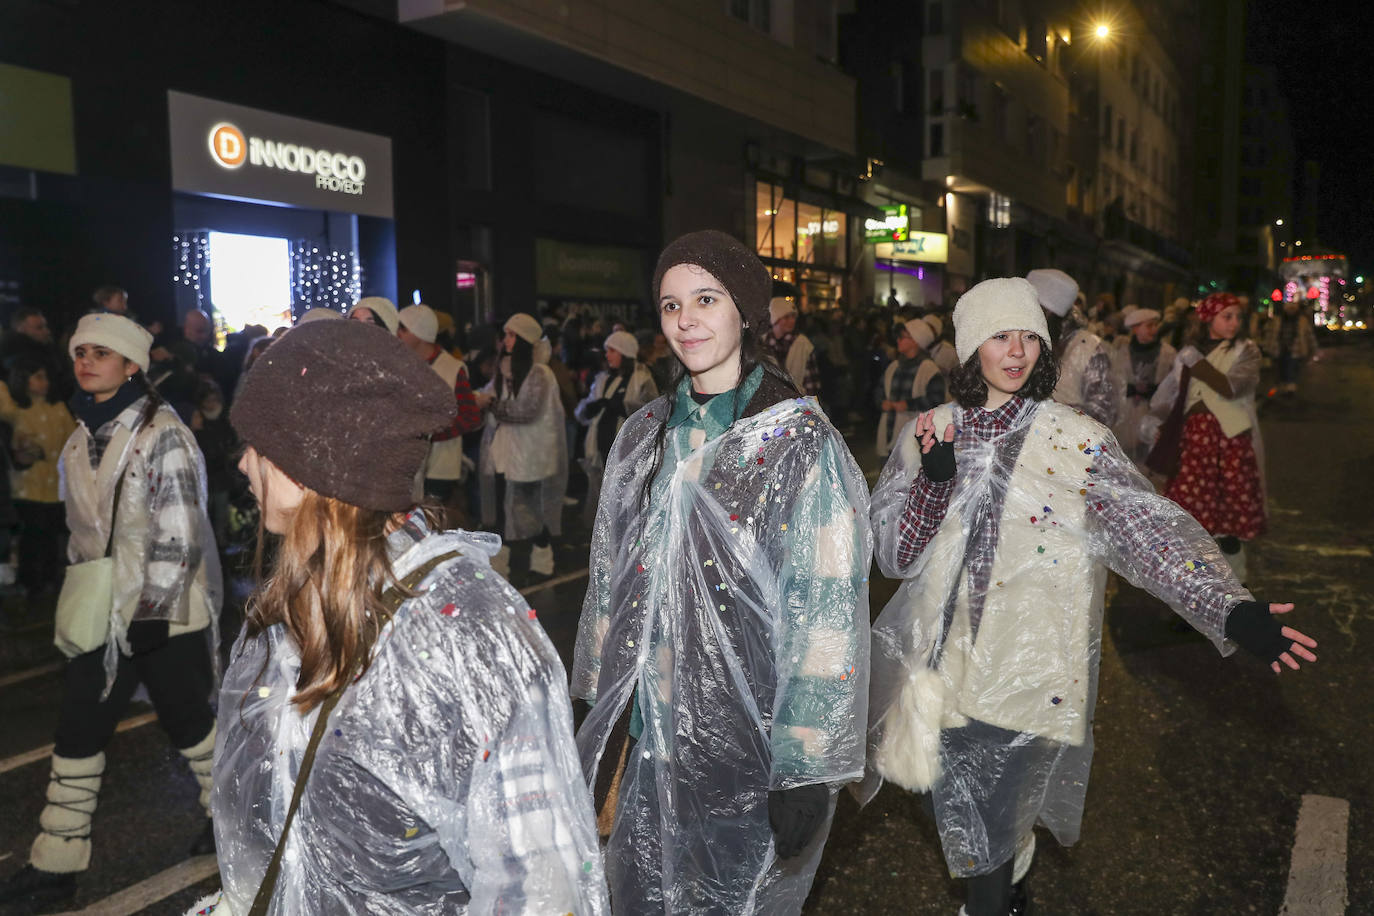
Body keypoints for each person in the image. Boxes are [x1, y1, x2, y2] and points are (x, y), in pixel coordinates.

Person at [860, 278, 1317, 916]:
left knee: (986, 823)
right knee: (965, 805)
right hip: (944, 663)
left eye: (1028, 336)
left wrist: (1229, 609)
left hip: (1031, 663)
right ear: (970, 350)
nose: (1016, 351)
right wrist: (934, 486)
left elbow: (1145, 534)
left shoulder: (1077, 441)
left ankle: (991, 896)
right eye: (999, 337)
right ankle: (1010, 863)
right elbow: (895, 557)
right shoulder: (931, 432)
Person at [191, 319, 607, 916]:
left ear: (316, 463)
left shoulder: (465, 631)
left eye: (262, 445)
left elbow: (539, 880)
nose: (244, 463)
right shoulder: (294, 602)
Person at [571, 230, 872, 915]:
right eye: (671, 304)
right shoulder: (643, 434)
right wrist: (593, 694)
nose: (686, 320)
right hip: (643, 736)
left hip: (745, 746)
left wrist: (807, 762)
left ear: (746, 311)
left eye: (706, 298)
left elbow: (824, 610)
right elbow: (607, 576)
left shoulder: (798, 441)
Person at [0, 313, 221, 911]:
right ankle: (56, 864)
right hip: (105, 612)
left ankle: (233, 819)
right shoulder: (79, 437)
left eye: (102, 352)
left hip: (162, 614)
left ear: (132, 367)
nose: (86, 361)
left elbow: (180, 528)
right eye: (80, 352)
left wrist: (153, 608)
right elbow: (83, 537)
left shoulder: (163, 433)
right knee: (79, 726)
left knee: (189, 724)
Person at [1154, 292, 1268, 583]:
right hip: (1195, 443)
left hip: (1229, 443)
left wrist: (1199, 364)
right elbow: (1173, 395)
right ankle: (1196, 588)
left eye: (1237, 317)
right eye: (1226, 316)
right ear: (1208, 319)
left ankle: (1234, 587)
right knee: (1193, 521)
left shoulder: (1247, 350)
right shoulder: (1190, 351)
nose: (1234, 323)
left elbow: (1233, 387)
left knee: (1228, 522)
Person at [475, 313, 567, 578]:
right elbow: (492, 396)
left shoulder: (540, 373)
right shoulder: (503, 370)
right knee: (504, 513)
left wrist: (491, 404)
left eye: (512, 335)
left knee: (530, 513)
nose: (506, 340)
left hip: (531, 456)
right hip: (504, 451)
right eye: (506, 335)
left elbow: (526, 411)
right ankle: (502, 566)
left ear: (525, 339)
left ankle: (542, 559)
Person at [0, 358, 76, 598]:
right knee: (31, 539)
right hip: (27, 488)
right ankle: (31, 583)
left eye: (46, 377)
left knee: (52, 538)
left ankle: (50, 580)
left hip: (55, 488)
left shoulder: (59, 409)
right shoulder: (16, 411)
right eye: (38, 377)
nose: (44, 383)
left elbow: (73, 441)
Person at [397, 304, 483, 508]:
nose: (397, 333)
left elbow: (470, 416)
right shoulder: (402, 365)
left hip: (440, 467)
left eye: (404, 328)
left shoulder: (452, 368)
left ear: (420, 333)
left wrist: (432, 433)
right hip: (407, 464)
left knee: (426, 524)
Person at [573, 330, 657, 523]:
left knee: (624, 491)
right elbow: (585, 408)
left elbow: (651, 412)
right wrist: (590, 408)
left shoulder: (641, 379)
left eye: (612, 350)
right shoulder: (603, 378)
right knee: (600, 486)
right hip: (601, 442)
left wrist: (623, 407)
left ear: (625, 353)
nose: (607, 355)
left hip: (625, 446)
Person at [1026, 268, 1118, 427]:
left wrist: (1054, 414)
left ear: (1047, 312)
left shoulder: (1090, 349)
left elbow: (1104, 413)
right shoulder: (1021, 341)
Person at [1109, 307, 1175, 469]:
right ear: (1135, 328)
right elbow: (1115, 381)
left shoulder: (1168, 353)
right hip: (1127, 411)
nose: (1154, 330)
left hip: (1154, 411)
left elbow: (1173, 384)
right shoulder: (1122, 351)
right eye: (1149, 326)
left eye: (1155, 325)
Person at [877, 318, 946, 457]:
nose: (898, 340)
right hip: (888, 431)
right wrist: (881, 402)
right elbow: (879, 390)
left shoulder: (929, 369)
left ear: (916, 340)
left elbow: (937, 399)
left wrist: (908, 404)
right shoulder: (893, 366)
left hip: (914, 436)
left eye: (902, 337)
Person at [764, 295, 821, 396]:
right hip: (768, 406)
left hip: (797, 405)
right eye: (786, 317)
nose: (792, 321)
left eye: (793, 316)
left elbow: (811, 384)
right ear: (775, 319)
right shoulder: (761, 343)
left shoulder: (803, 344)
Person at [1262, 298, 1318, 395]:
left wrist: (1313, 349)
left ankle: (1290, 388)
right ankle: (1283, 387)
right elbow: (1269, 333)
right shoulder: (1277, 320)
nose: (1291, 311)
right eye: (1289, 308)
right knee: (1281, 368)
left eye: (1293, 309)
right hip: (1279, 348)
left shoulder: (1302, 321)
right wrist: (1266, 347)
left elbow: (1309, 335)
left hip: (1296, 349)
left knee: (1292, 368)